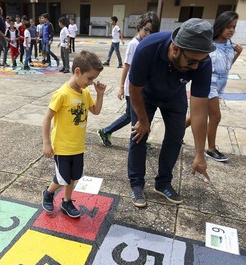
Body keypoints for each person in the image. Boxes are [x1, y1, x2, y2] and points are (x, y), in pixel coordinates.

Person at [127, 18, 215, 208]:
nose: (195, 68)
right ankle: (136, 184)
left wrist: (200, 153)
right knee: (138, 135)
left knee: (176, 136)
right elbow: (134, 89)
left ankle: (163, 182)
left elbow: (199, 111)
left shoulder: (202, 62)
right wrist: (143, 121)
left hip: (175, 96)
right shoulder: (147, 48)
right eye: (191, 62)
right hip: (145, 96)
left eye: (199, 62)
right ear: (175, 49)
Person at [41, 51, 106, 218]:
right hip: (62, 147)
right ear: (77, 72)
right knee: (63, 178)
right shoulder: (62, 94)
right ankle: (48, 193)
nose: (91, 83)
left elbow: (96, 111)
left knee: (73, 178)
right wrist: (46, 142)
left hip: (78, 146)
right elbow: (47, 118)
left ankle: (66, 201)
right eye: (89, 78)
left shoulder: (84, 93)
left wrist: (100, 95)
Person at [186, 11, 242, 163]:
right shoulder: (209, 45)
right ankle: (210, 149)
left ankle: (174, 134)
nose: (231, 30)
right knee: (215, 116)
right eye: (228, 26)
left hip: (221, 83)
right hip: (208, 83)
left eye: (234, 27)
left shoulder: (231, 45)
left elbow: (227, 66)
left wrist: (237, 53)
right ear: (220, 26)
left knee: (198, 115)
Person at [97, 12, 159, 147]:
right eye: (146, 30)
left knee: (131, 116)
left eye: (151, 32)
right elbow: (126, 67)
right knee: (134, 117)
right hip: (132, 89)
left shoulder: (146, 43)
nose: (148, 34)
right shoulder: (134, 44)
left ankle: (107, 131)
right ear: (140, 27)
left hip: (141, 88)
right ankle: (136, 141)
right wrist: (121, 87)